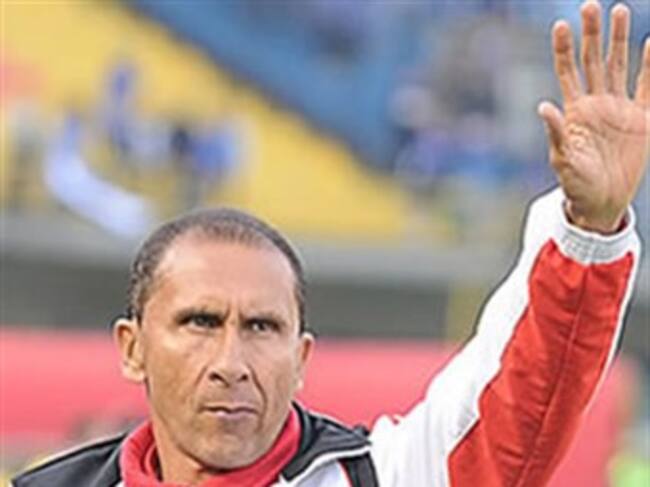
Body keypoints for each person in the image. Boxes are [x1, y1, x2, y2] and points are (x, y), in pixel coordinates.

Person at [12, 1, 649, 486]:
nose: (231, 362)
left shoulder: (379, 476)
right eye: (200, 322)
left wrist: (588, 228)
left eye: (262, 327)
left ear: (301, 357)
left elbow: (515, 404)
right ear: (133, 348)